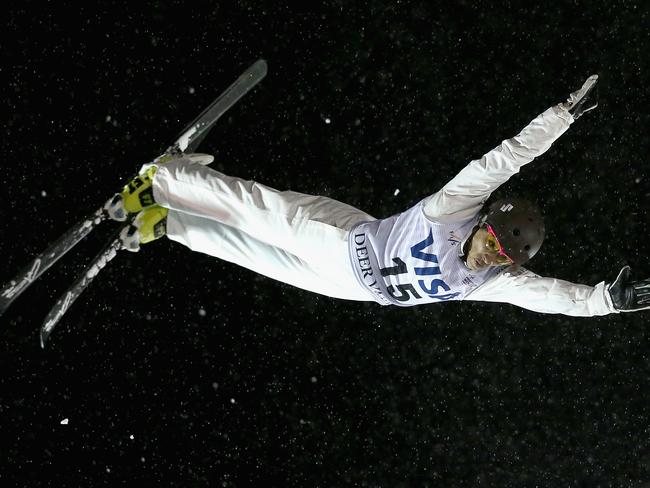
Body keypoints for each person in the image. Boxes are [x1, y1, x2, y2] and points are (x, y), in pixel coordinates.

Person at [111, 75, 650, 317]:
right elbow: (504, 158)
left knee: (253, 255)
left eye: (501, 256)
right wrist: (561, 118)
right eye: (493, 243)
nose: (491, 256)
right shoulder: (453, 209)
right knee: (259, 211)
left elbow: (549, 296)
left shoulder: (490, 281)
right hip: (344, 242)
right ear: (486, 222)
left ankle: (168, 223)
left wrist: (605, 300)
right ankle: (161, 180)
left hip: (354, 288)